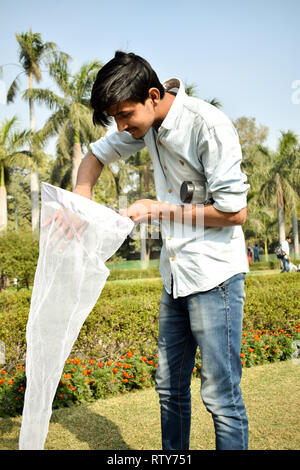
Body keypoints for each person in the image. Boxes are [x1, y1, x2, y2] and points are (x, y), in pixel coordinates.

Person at [73, 51, 250, 450]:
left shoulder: (208, 125)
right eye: (114, 118)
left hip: (214, 277)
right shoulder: (145, 125)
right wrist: (82, 199)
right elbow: (95, 155)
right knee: (169, 389)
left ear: (153, 96)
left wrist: (156, 209)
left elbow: (235, 213)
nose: (121, 126)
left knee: (221, 397)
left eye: (125, 114)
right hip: (175, 279)